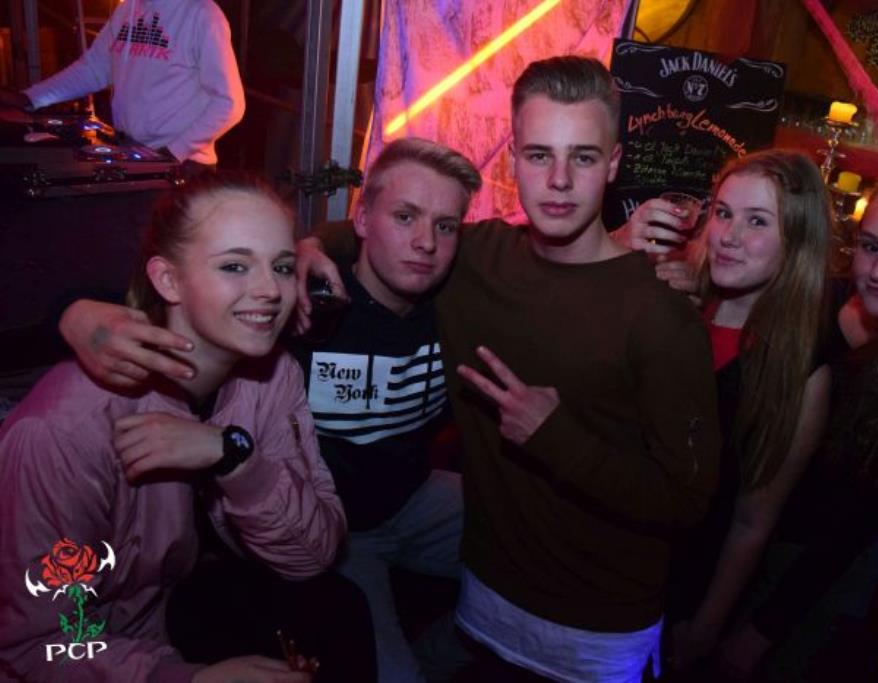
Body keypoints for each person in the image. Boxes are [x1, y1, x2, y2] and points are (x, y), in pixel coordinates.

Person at [305, 55, 720, 682]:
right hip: (485, 596)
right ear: (514, 161)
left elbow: (687, 501)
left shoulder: (661, 314)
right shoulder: (472, 259)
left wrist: (555, 437)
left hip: (593, 632)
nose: (559, 180)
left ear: (612, 164)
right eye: (539, 155)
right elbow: (384, 229)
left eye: (583, 157)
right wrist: (307, 247)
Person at [57, 138, 482, 683]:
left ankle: (455, 643)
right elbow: (184, 304)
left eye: (445, 226)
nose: (425, 241)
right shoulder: (306, 308)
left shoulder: (458, 301)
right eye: (404, 216)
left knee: (541, 550)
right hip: (333, 536)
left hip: (402, 500)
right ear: (362, 220)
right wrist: (71, 312)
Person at [0, 173, 353, 682]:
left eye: (280, 267)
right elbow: (36, 643)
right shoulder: (66, 429)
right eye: (234, 265)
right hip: (92, 657)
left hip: (169, 621)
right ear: (168, 281)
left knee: (337, 612)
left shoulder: (272, 377)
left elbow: (312, 555)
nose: (269, 291)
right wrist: (184, 679)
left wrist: (234, 456)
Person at [711, 173, 878, 681]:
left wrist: (762, 632)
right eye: (870, 246)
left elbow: (849, 532)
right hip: (741, 541)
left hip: (809, 576)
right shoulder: (819, 300)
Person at [614, 150, 833, 677]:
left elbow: (752, 520)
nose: (729, 236)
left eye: (758, 221)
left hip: (675, 582)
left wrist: (706, 627)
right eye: (724, 213)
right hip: (602, 548)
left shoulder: (799, 372)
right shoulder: (675, 301)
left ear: (798, 239)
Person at [0, 0, 244, 168]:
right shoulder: (128, 9)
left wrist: (174, 151)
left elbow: (230, 103)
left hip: (183, 166)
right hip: (134, 155)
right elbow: (94, 69)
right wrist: (31, 98)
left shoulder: (201, 13)